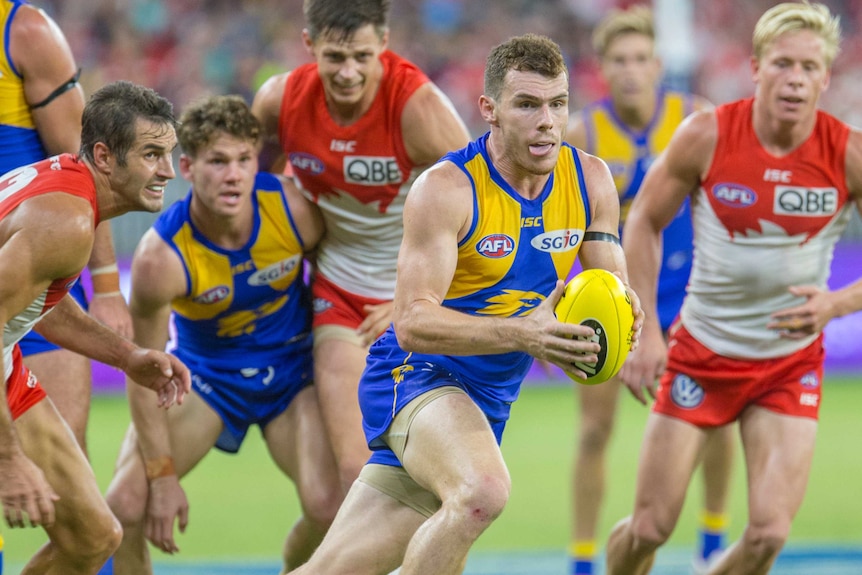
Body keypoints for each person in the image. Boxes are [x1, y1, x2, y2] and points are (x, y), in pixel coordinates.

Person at [288, 33, 642, 575]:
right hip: (415, 377)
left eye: (558, 103)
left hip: (484, 403)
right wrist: (524, 333)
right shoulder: (447, 189)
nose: (547, 120)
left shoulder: (591, 180)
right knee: (482, 492)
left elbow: (606, 288)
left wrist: (623, 316)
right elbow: (412, 322)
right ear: (490, 110)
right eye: (527, 104)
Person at [606, 3, 862, 574]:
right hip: (701, 354)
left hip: (788, 365)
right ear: (755, 67)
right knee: (649, 528)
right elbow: (642, 221)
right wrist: (644, 330)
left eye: (808, 67)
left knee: (768, 534)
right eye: (782, 64)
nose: (794, 78)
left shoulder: (848, 152)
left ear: (826, 77)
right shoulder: (708, 134)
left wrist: (839, 303)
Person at [102, 95, 340, 575]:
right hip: (208, 380)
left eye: (243, 160)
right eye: (217, 162)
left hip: (294, 376)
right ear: (187, 167)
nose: (233, 175)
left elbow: (342, 276)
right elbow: (144, 368)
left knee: (332, 510)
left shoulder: (294, 210)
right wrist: (162, 477)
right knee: (125, 508)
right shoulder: (159, 258)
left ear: (257, 161)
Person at [251, 0, 472, 495]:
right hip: (339, 296)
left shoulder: (421, 109)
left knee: (440, 484)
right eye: (334, 57)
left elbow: (481, 216)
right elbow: (250, 187)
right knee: (356, 477)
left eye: (362, 57)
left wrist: (412, 304)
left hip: (422, 302)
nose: (348, 73)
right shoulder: (277, 102)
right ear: (308, 45)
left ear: (385, 43)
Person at [563, 6, 732, 573]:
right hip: (610, 303)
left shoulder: (696, 119)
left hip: (689, 297)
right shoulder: (581, 135)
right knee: (595, 429)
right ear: (602, 69)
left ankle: (712, 541)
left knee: (716, 417)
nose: (631, 70)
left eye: (641, 58)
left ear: (659, 64)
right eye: (619, 60)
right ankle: (584, 558)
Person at [0, 80, 191, 574]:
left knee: (94, 537)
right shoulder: (66, 223)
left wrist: (127, 357)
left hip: (6, 360)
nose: (167, 171)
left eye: (168, 154)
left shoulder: (68, 197)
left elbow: (37, 302)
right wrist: (7, 459)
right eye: (152, 155)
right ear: (105, 156)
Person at [0, 0, 133, 455]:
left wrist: (109, 286)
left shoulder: (23, 32)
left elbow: (86, 169)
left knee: (64, 478)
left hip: (32, 280)